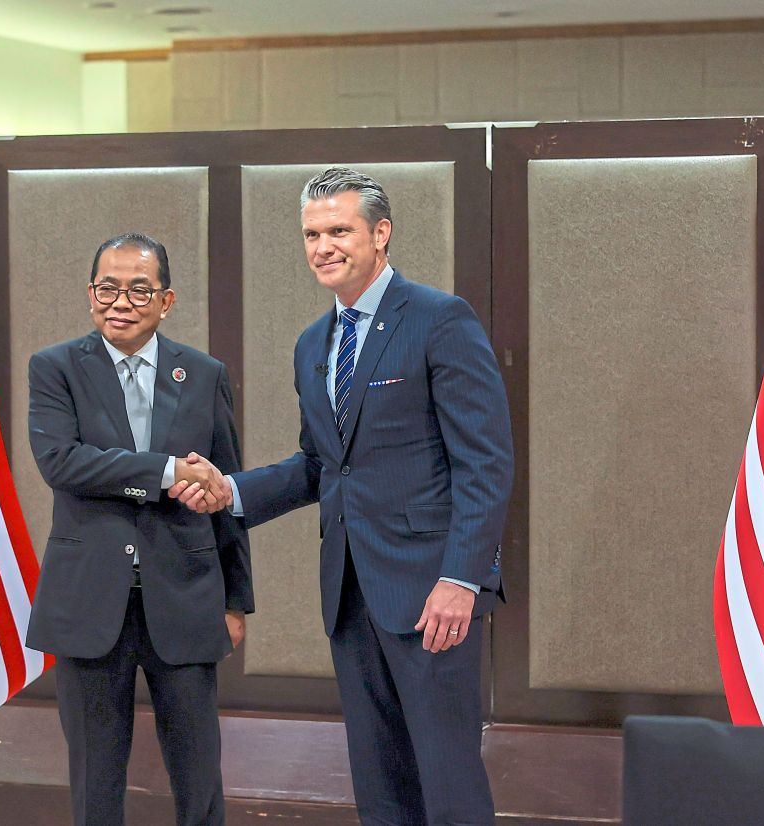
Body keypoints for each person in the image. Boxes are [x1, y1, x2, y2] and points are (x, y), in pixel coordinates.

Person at [172, 168, 513, 825]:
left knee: (447, 783)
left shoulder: (440, 320)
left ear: (380, 234)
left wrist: (461, 580)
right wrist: (230, 491)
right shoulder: (313, 344)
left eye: (339, 230)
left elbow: (486, 463)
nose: (323, 246)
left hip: (432, 595)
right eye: (311, 234)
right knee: (381, 786)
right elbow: (319, 465)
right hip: (351, 595)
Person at [26, 232, 252, 826]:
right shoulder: (55, 368)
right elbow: (62, 463)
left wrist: (237, 599)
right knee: (95, 784)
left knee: (199, 777)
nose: (119, 302)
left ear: (166, 300)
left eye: (138, 289)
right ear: (90, 293)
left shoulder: (203, 374)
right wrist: (165, 471)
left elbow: (225, 491)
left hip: (186, 594)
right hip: (89, 601)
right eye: (107, 288)